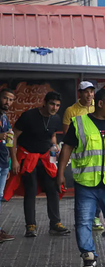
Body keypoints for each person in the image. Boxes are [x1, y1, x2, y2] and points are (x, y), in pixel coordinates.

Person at [56, 88, 105, 267]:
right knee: (83, 221)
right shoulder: (79, 123)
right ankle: (88, 256)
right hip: (86, 184)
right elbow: (67, 149)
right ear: (100, 103)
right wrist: (60, 174)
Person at [10, 91, 69, 237]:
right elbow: (13, 136)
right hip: (28, 157)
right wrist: (14, 160)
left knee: (53, 188)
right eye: (52, 104)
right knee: (30, 190)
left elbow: (53, 136)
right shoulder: (29, 116)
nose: (54, 108)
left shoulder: (56, 119)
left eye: (57, 105)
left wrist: (54, 149)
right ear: (44, 103)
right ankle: (30, 225)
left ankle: (55, 223)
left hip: (45, 158)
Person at [63, 81, 105, 231]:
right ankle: (81, 220)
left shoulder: (99, 107)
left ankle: (95, 217)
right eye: (86, 91)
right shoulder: (71, 111)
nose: (89, 95)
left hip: (100, 157)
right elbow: (69, 138)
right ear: (79, 93)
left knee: (101, 187)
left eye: (92, 91)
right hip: (82, 159)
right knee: (83, 190)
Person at [0, 88, 16, 242]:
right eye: (5, 98)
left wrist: (10, 163)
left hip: (3, 162)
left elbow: (8, 140)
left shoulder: (4, 117)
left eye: (11, 100)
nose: (8, 102)